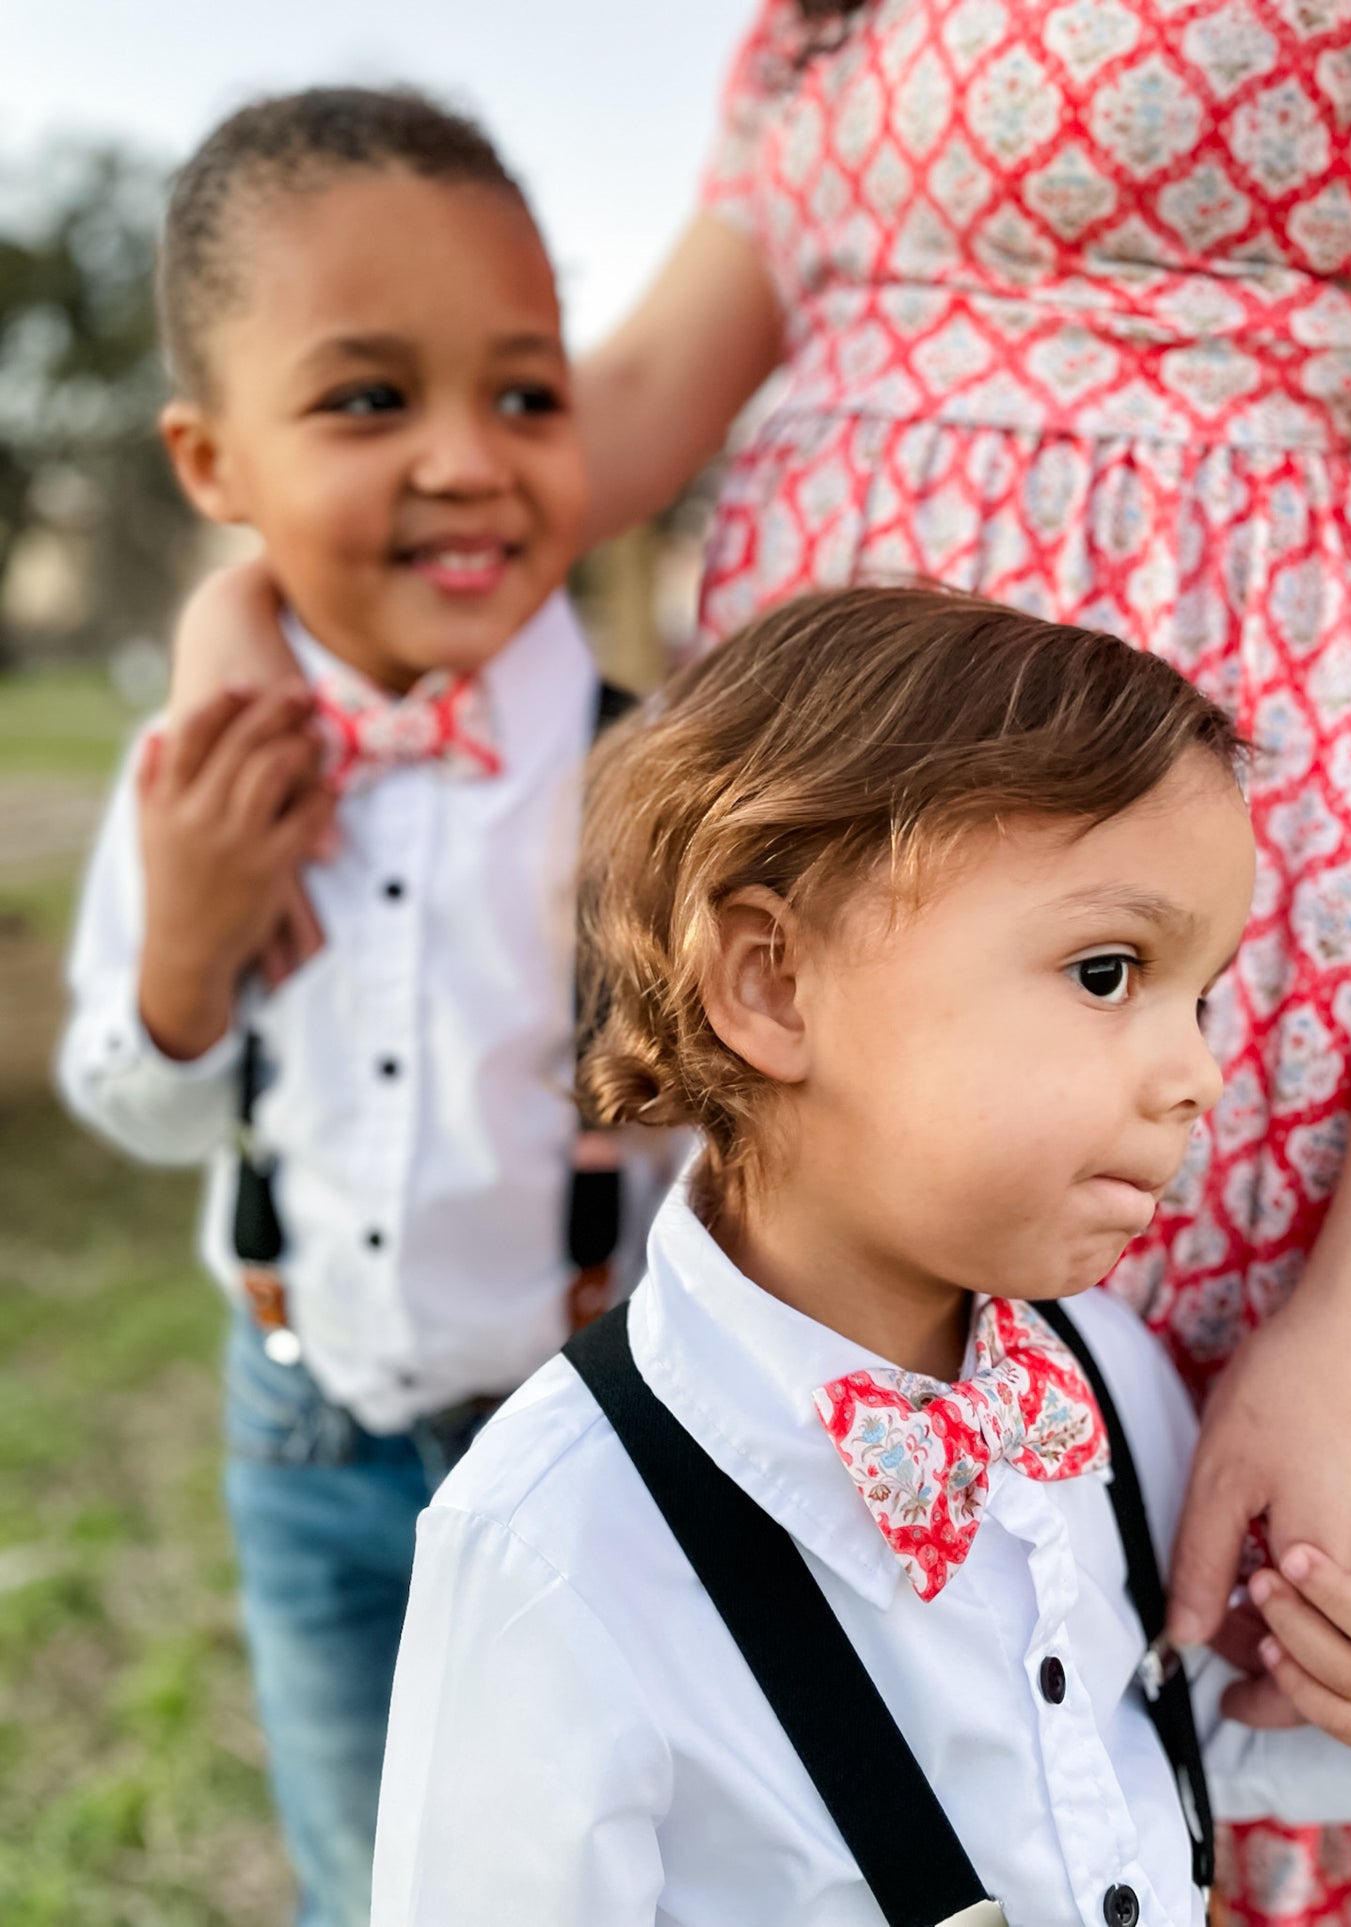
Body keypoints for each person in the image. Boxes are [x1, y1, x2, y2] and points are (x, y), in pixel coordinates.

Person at [371, 586, 1351, 1927]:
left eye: (1204, 995)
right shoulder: (550, 1549)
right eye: (1108, 973)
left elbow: (1142, 1741)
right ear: (771, 982)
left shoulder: (1102, 1384)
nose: (1197, 1074)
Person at [56, 87, 644, 1927]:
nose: (470, 459)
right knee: (366, 1877)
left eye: (526, 395)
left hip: (597, 1453)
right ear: (212, 462)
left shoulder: (651, 782)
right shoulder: (193, 780)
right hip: (300, 1442)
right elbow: (135, 1104)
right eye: (369, 398)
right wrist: (188, 951)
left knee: (597, 1876)